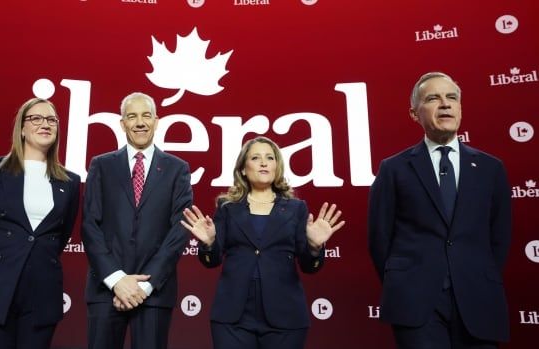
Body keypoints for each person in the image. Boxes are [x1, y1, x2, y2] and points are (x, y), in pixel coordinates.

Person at [368, 72, 512, 348]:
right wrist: (405, 280)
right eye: (433, 98)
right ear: (414, 113)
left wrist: (476, 274)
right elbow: (379, 239)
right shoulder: (393, 169)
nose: (445, 104)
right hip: (415, 303)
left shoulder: (491, 169)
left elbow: (499, 237)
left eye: (452, 98)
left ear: (460, 108)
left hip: (478, 299)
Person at [181, 136, 345, 349]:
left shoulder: (296, 208)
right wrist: (209, 243)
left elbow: (308, 266)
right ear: (243, 169)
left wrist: (314, 247)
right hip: (233, 315)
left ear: (277, 166)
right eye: (256, 157)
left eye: (270, 157)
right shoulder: (227, 208)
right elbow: (211, 261)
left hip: (285, 315)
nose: (264, 162)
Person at [0, 98, 81, 349]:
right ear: (22, 129)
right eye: (35, 118)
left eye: (51, 119)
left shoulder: (70, 182)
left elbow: (59, 237)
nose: (44, 124)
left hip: (42, 294)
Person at [82, 92, 193, 349]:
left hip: (154, 292)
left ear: (156, 121)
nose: (140, 122)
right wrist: (116, 279)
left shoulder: (178, 169)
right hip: (105, 289)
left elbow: (179, 230)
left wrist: (143, 287)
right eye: (132, 116)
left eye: (146, 116)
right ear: (122, 124)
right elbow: (90, 225)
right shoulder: (101, 165)